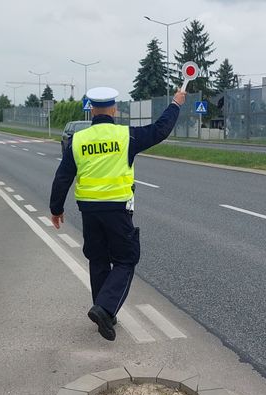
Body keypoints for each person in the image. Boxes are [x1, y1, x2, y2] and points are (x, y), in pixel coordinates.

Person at [50, 87, 186, 341]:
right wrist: (176, 104)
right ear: (113, 110)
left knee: (98, 259)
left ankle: (105, 314)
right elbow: (159, 130)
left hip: (89, 210)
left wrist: (56, 209)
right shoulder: (126, 136)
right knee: (126, 259)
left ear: (91, 110)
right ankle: (105, 308)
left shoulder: (78, 140)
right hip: (117, 209)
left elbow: (63, 177)